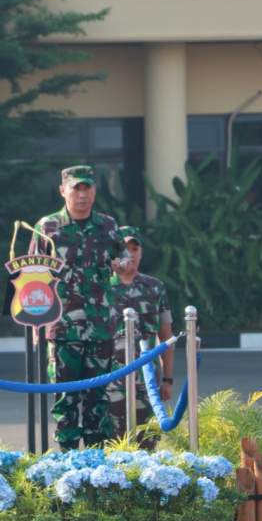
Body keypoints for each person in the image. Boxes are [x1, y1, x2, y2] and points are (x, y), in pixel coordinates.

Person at [31, 165, 129, 450]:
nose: (82, 195)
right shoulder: (47, 227)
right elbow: (31, 277)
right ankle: (68, 462)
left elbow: (124, 257)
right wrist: (36, 323)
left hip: (101, 327)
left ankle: (96, 464)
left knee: (98, 400)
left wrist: (122, 265)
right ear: (63, 191)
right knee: (65, 400)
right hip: (62, 328)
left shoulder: (108, 225)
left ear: (94, 191)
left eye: (87, 188)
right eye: (76, 189)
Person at [106, 227, 175, 447]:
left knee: (147, 446)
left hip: (147, 384)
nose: (130, 254)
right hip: (108, 383)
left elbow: (165, 337)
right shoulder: (101, 287)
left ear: (141, 252)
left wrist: (167, 379)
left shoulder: (154, 288)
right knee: (112, 447)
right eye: (124, 249)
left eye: (135, 249)